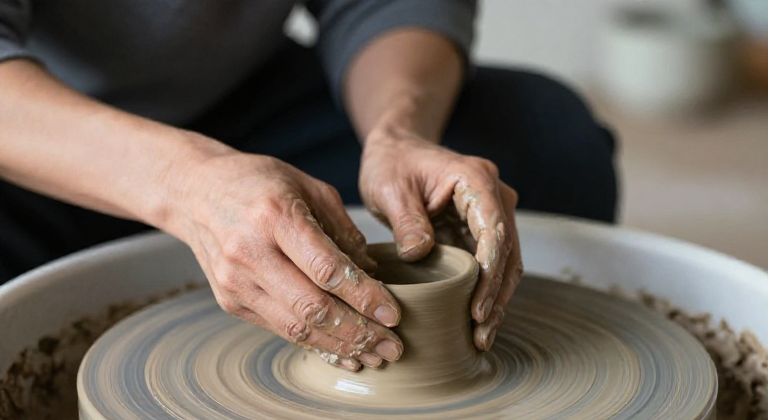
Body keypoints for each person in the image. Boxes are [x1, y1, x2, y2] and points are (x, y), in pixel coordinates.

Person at [0, 1, 617, 371]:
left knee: (546, 143)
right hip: (37, 130)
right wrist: (188, 183)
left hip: (242, 95)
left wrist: (397, 132)